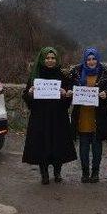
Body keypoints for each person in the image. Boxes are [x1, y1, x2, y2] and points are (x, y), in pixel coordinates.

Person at [22, 47, 77, 184]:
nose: (50, 60)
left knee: (58, 144)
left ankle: (57, 173)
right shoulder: (35, 77)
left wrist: (66, 95)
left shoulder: (62, 77)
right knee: (42, 145)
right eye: (47, 58)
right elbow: (27, 97)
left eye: (53, 58)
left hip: (58, 117)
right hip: (40, 117)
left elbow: (68, 99)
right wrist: (30, 93)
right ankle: (44, 174)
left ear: (56, 60)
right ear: (42, 59)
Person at [68, 47, 107, 183]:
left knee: (96, 146)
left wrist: (105, 93)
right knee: (83, 146)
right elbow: (70, 88)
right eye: (88, 59)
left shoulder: (104, 73)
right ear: (85, 60)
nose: (91, 61)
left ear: (98, 59)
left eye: (94, 59)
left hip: (98, 116)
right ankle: (85, 173)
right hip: (82, 115)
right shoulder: (76, 73)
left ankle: (95, 172)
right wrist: (70, 92)